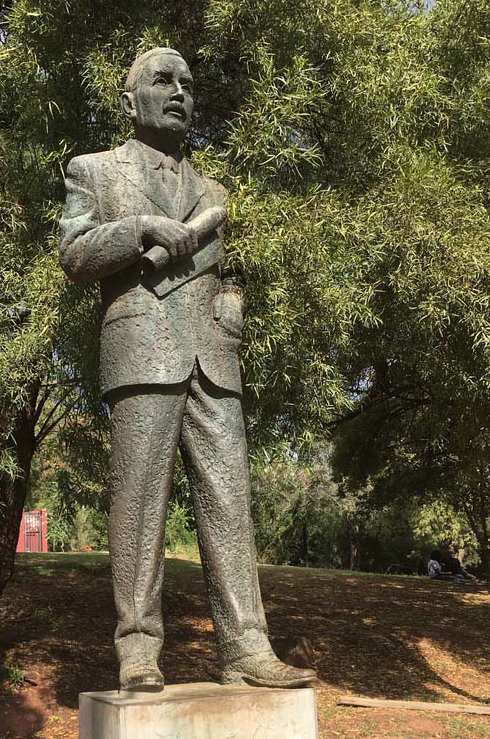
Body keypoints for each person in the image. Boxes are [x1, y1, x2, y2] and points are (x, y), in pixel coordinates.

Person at [59, 48, 315, 692]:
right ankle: (138, 650)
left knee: (229, 501)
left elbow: (232, 270)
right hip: (141, 351)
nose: (179, 92)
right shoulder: (94, 170)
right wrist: (142, 228)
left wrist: (233, 306)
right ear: (130, 100)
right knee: (140, 503)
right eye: (163, 81)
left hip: (214, 359)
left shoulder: (215, 194)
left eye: (187, 84)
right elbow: (75, 255)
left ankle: (246, 647)